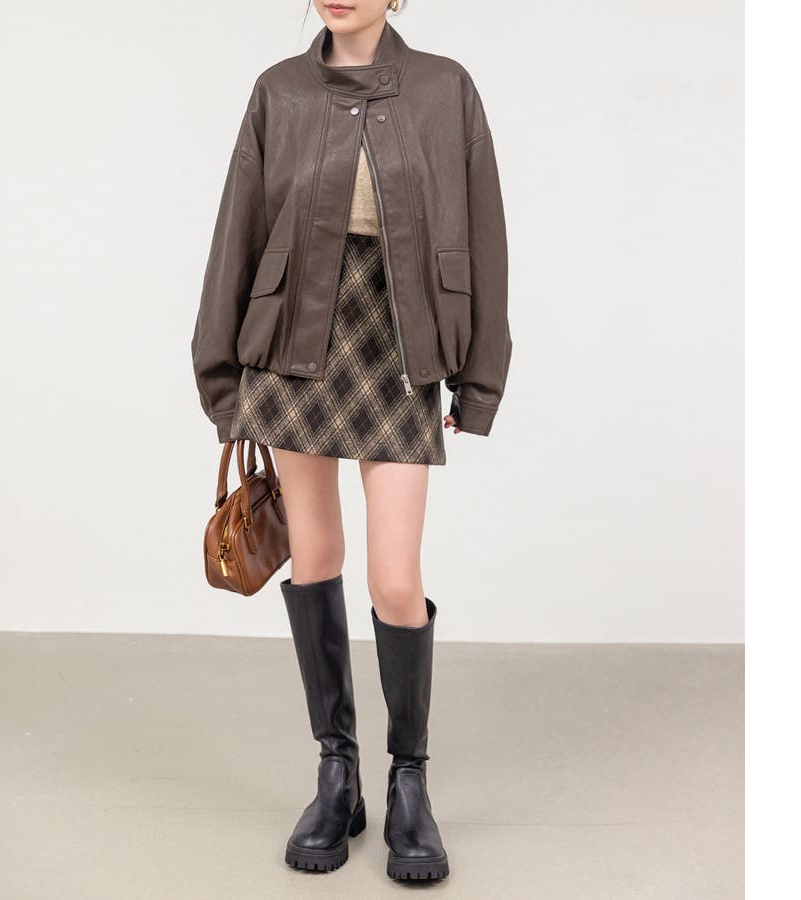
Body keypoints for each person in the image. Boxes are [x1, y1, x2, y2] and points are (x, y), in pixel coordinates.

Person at [190, 0, 511, 882]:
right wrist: (222, 382)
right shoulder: (279, 92)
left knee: (396, 579)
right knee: (316, 556)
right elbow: (236, 234)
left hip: (399, 341)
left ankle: (410, 779)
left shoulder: (446, 89)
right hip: (293, 341)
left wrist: (479, 381)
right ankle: (337, 770)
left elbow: (486, 236)